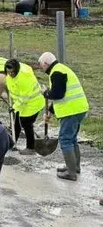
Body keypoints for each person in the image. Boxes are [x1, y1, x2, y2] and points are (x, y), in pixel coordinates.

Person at [38, 52, 89, 181]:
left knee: (65, 139)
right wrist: (50, 111)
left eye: (40, 65)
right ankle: (74, 167)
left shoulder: (57, 72)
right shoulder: (60, 69)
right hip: (78, 109)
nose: (40, 68)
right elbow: (63, 95)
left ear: (45, 63)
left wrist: (46, 93)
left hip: (71, 111)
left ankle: (71, 173)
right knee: (71, 139)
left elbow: (58, 94)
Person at [4, 59, 45, 155]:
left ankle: (31, 148)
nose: (10, 74)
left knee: (26, 123)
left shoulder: (24, 78)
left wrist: (14, 107)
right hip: (23, 104)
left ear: (16, 70)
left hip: (33, 102)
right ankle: (12, 143)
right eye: (8, 72)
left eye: (12, 72)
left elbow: (24, 97)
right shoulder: (12, 74)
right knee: (17, 123)